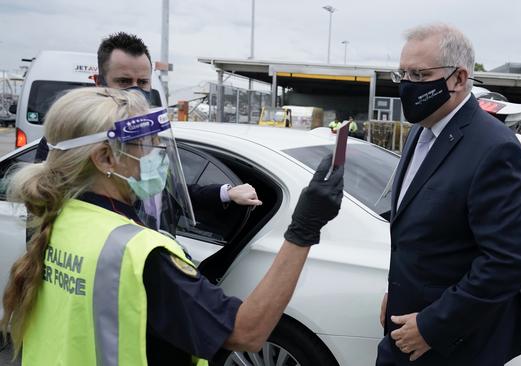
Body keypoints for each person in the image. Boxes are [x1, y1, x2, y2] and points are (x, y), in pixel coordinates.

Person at [1, 87, 344, 365]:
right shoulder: (139, 254)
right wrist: (303, 228)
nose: (157, 154)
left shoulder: (59, 217)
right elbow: (247, 332)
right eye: (146, 144)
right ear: (105, 158)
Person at [377, 23, 521, 366]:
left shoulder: (494, 149)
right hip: (405, 322)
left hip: (453, 345)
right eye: (402, 73)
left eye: (419, 75)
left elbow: (508, 263)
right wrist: (397, 293)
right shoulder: (419, 133)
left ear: (459, 79)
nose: (407, 85)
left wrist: (433, 327)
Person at [34, 32, 261, 218]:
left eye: (142, 82)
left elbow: (170, 191)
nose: (135, 90)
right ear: (98, 82)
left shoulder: (150, 137)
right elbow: (45, 214)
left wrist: (226, 193)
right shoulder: (70, 139)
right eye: (124, 82)